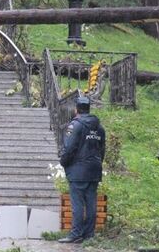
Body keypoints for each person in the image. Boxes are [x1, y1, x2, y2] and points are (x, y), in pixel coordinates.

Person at [58, 96, 106, 244]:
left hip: (78, 170)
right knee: (91, 202)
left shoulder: (75, 125)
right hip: (94, 169)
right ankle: (89, 234)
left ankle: (75, 234)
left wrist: (63, 162)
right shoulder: (99, 128)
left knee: (78, 203)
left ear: (76, 109)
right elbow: (102, 150)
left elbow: (69, 148)